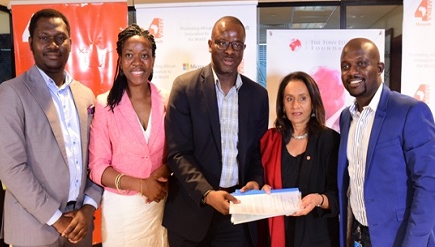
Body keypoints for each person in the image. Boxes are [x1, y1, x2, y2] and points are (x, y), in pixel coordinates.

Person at [0, 8, 103, 247]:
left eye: (59, 38)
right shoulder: (11, 93)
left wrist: (88, 207)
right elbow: (10, 167)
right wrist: (56, 219)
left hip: (80, 226)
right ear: (31, 43)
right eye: (44, 38)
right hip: (34, 228)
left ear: (70, 42)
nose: (53, 45)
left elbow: (97, 159)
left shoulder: (85, 95)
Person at [162, 16, 269, 247]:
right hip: (191, 212)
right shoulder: (184, 88)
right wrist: (207, 194)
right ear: (210, 44)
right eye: (222, 43)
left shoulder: (258, 96)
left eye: (237, 44)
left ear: (244, 49)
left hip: (237, 212)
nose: (230, 50)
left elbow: (256, 154)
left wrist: (255, 180)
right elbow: (177, 154)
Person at [337, 37, 435, 247]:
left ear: (380, 68)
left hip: (398, 239)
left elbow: (429, 184)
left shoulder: (409, 111)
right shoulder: (346, 117)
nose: (353, 72)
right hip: (358, 236)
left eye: (362, 63)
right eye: (346, 66)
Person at [88, 24, 170, 247]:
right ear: (121, 61)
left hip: (158, 204)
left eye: (144, 55)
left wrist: (162, 172)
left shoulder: (166, 100)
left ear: (152, 60)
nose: (137, 62)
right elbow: (97, 168)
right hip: (122, 211)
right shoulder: (105, 104)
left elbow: (175, 151)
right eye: (129, 55)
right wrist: (141, 184)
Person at [260, 71, 340, 247]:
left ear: (313, 102)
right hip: (277, 234)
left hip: (318, 236)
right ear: (282, 104)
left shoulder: (330, 140)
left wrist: (319, 199)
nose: (296, 105)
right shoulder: (271, 139)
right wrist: (261, 187)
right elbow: (258, 178)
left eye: (302, 98)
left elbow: (338, 195)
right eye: (289, 99)